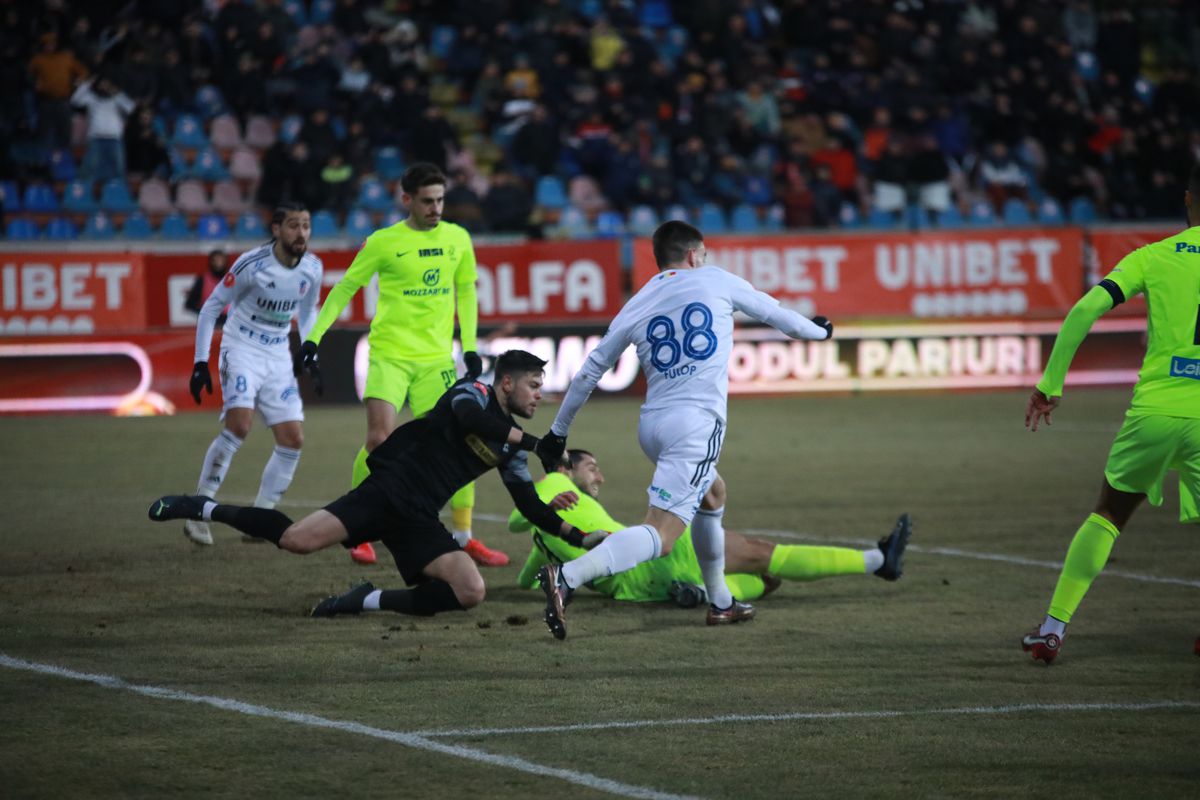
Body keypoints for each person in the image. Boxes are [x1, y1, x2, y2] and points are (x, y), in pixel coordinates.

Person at [532, 220, 837, 640]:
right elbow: (778, 315)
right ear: (695, 255)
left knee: (712, 494)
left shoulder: (638, 301)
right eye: (705, 255)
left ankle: (721, 601)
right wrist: (819, 331)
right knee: (662, 534)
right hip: (695, 424)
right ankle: (567, 576)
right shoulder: (714, 279)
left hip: (652, 425)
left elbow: (588, 373)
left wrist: (558, 433)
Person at [148, 351, 605, 618]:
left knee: (471, 591)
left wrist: (582, 538)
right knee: (295, 541)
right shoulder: (476, 394)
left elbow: (528, 503)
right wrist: (535, 443)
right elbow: (468, 419)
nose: (539, 394)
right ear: (506, 383)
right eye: (532, 385)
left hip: (419, 515)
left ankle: (366, 599)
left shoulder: (509, 448)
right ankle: (200, 506)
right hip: (387, 488)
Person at [1020, 164, 1200, 665]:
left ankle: (1053, 630)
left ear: (1188, 199)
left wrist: (1050, 384)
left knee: (1109, 514)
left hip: (1158, 407)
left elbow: (1083, 311)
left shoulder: (1154, 256)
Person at [295, 162, 508, 568]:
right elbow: (345, 288)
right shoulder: (383, 241)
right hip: (390, 354)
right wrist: (313, 336)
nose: (436, 209)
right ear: (406, 199)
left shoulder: (458, 239)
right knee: (379, 439)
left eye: (440, 200)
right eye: (427, 201)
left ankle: (463, 537)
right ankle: (357, 531)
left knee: (458, 442)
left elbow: (466, 291)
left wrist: (469, 346)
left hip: (435, 361)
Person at [511, 449, 912, 604]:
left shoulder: (542, 538)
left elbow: (527, 578)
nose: (599, 476)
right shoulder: (554, 484)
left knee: (769, 581)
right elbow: (520, 510)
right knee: (764, 555)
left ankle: (704, 592)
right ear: (564, 468)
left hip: (636, 589)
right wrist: (546, 495)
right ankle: (878, 561)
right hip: (655, 554)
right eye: (591, 467)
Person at [181, 202, 322, 546]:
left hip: (276, 353)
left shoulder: (313, 268)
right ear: (276, 229)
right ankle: (198, 510)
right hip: (241, 346)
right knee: (240, 425)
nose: (301, 233)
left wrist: (311, 347)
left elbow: (307, 312)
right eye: (293, 225)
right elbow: (212, 306)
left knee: (293, 439)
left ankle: (261, 517)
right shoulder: (251, 264)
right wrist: (201, 362)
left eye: (306, 225)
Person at [70, 74, 136, 187]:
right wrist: (87, 84)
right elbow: (75, 101)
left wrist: (117, 92)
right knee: (89, 167)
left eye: (107, 85)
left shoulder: (117, 99)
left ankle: (119, 193)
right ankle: (83, 193)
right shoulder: (91, 98)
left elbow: (131, 107)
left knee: (119, 169)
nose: (104, 87)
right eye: (102, 84)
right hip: (96, 139)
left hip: (115, 139)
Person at [184, 247, 231, 323]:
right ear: (211, 262)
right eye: (215, 260)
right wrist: (204, 313)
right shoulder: (203, 280)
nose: (219, 264)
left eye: (221, 260)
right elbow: (190, 304)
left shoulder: (233, 279)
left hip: (230, 322)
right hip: (210, 322)